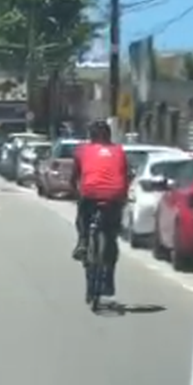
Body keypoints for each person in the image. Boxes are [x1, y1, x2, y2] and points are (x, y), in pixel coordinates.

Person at [69, 120, 130, 297]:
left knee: (83, 217)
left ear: (90, 137)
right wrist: (123, 196)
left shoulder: (83, 151)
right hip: (114, 196)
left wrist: (74, 191)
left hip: (90, 193)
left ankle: (83, 242)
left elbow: (75, 176)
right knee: (111, 235)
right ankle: (109, 280)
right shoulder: (119, 151)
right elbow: (125, 175)